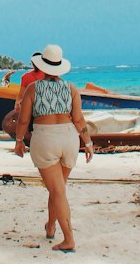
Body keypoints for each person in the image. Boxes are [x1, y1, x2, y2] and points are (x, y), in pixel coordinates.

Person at [14, 44, 93, 251]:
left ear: (42, 66)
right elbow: (79, 119)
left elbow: (23, 120)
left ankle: (68, 239)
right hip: (69, 138)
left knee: (57, 190)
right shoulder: (71, 88)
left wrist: (19, 140)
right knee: (57, 189)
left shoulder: (33, 88)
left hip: (46, 138)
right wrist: (88, 142)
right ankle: (50, 227)